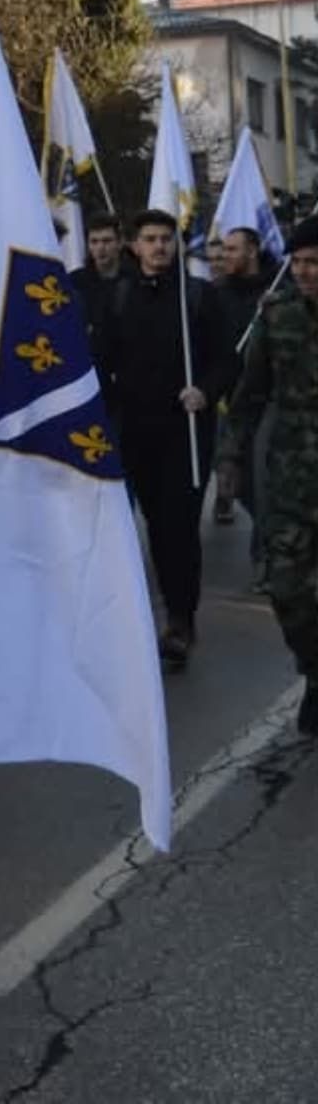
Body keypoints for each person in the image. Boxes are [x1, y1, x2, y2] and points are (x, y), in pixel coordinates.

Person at [92, 209, 234, 667]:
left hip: (186, 433)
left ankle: (180, 619)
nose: (159, 247)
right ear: (134, 245)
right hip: (137, 431)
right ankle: (145, 614)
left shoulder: (199, 297)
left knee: (178, 527)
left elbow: (227, 361)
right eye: (150, 239)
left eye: (166, 239)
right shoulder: (118, 297)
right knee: (153, 525)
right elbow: (101, 362)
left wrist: (206, 391)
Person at [219, 216, 318, 730]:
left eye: (312, 263)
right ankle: (313, 670)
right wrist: (230, 460)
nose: (303, 272)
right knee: (286, 589)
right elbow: (248, 396)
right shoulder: (276, 314)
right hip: (292, 478)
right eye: (298, 262)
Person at [213, 227, 272, 547]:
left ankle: (263, 554)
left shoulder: (277, 289)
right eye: (224, 249)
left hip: (264, 402)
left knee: (266, 483)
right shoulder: (217, 292)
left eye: (233, 249)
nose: (225, 256)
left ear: (252, 251)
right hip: (227, 402)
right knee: (233, 479)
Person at [69, 213, 130, 327]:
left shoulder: (135, 280)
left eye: (107, 241)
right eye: (94, 241)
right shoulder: (74, 282)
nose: (100, 247)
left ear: (120, 242)